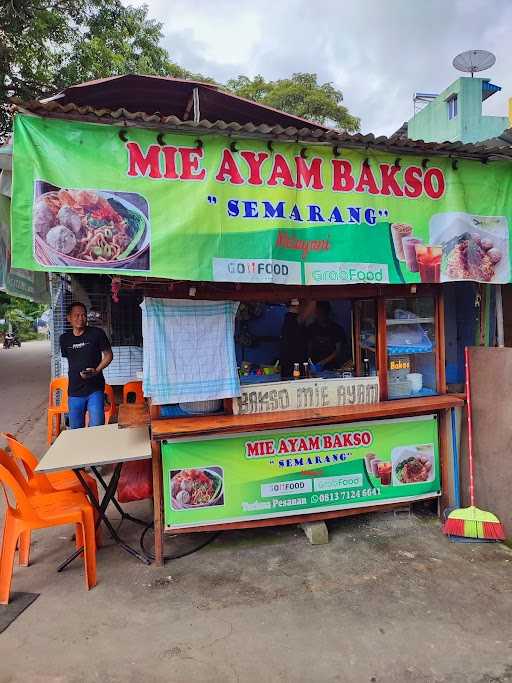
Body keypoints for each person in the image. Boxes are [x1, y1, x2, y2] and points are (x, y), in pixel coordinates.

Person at [60, 301, 113, 429]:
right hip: (75, 391)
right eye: (76, 315)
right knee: (76, 430)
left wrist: (96, 370)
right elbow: (71, 360)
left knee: (97, 427)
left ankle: (95, 449)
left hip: (95, 389)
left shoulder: (97, 333)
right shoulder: (64, 338)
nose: (81, 318)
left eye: (83, 315)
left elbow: (108, 355)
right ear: (69, 318)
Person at [308, 301, 349, 370]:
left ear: (328, 312)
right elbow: (308, 347)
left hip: (332, 367)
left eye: (323, 312)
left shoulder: (336, 329)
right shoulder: (311, 328)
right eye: (318, 312)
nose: (320, 315)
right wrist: (310, 363)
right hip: (314, 365)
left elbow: (338, 350)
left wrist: (322, 363)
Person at [279, 299, 315, 379]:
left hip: (295, 365)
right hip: (293, 367)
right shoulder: (292, 319)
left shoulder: (290, 319)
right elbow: (312, 304)